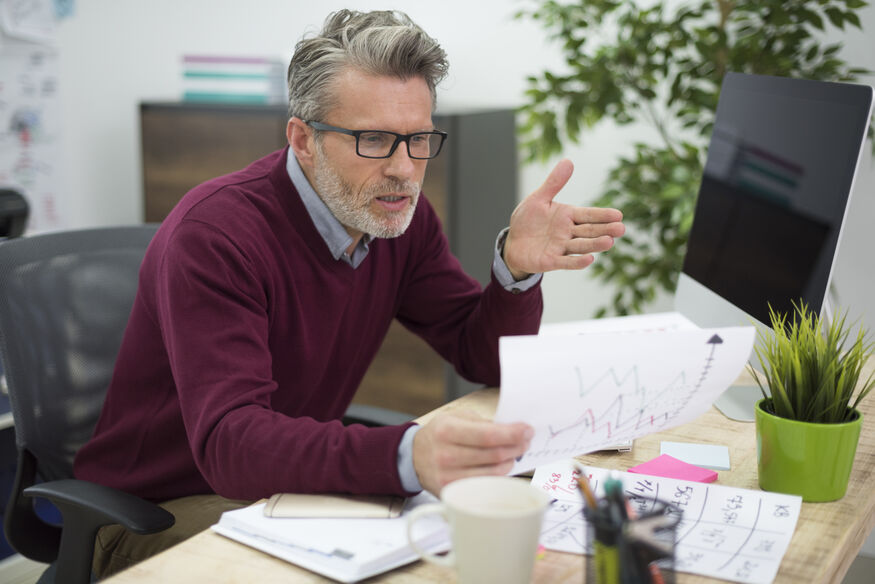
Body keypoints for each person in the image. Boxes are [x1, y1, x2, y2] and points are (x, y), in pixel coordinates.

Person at [73, 8, 624, 577]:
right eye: (375, 140)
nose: (404, 170)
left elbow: (478, 353)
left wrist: (514, 271)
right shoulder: (216, 237)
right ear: (304, 140)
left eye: (417, 141)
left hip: (280, 487)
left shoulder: (396, 219)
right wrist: (407, 452)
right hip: (156, 507)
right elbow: (229, 443)